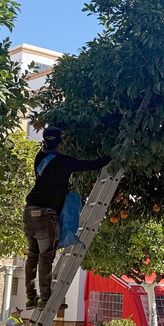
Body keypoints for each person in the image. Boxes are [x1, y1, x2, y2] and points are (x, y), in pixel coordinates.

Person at [24, 125, 110, 311]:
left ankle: (31, 296)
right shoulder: (63, 162)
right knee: (46, 257)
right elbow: (91, 165)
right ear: (60, 142)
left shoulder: (40, 158)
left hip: (29, 211)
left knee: (33, 254)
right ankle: (45, 297)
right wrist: (112, 156)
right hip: (46, 214)